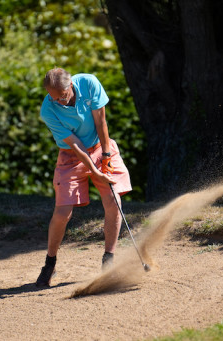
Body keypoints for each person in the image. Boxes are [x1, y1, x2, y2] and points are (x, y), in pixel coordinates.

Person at [34, 68, 133, 287]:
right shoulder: (48, 110)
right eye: (53, 97)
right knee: (62, 212)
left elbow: (101, 122)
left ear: (71, 86)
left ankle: (109, 261)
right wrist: (95, 170)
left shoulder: (89, 84)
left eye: (62, 95)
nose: (58, 101)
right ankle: (50, 264)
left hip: (100, 145)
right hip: (71, 156)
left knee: (113, 200)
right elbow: (76, 145)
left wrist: (106, 155)